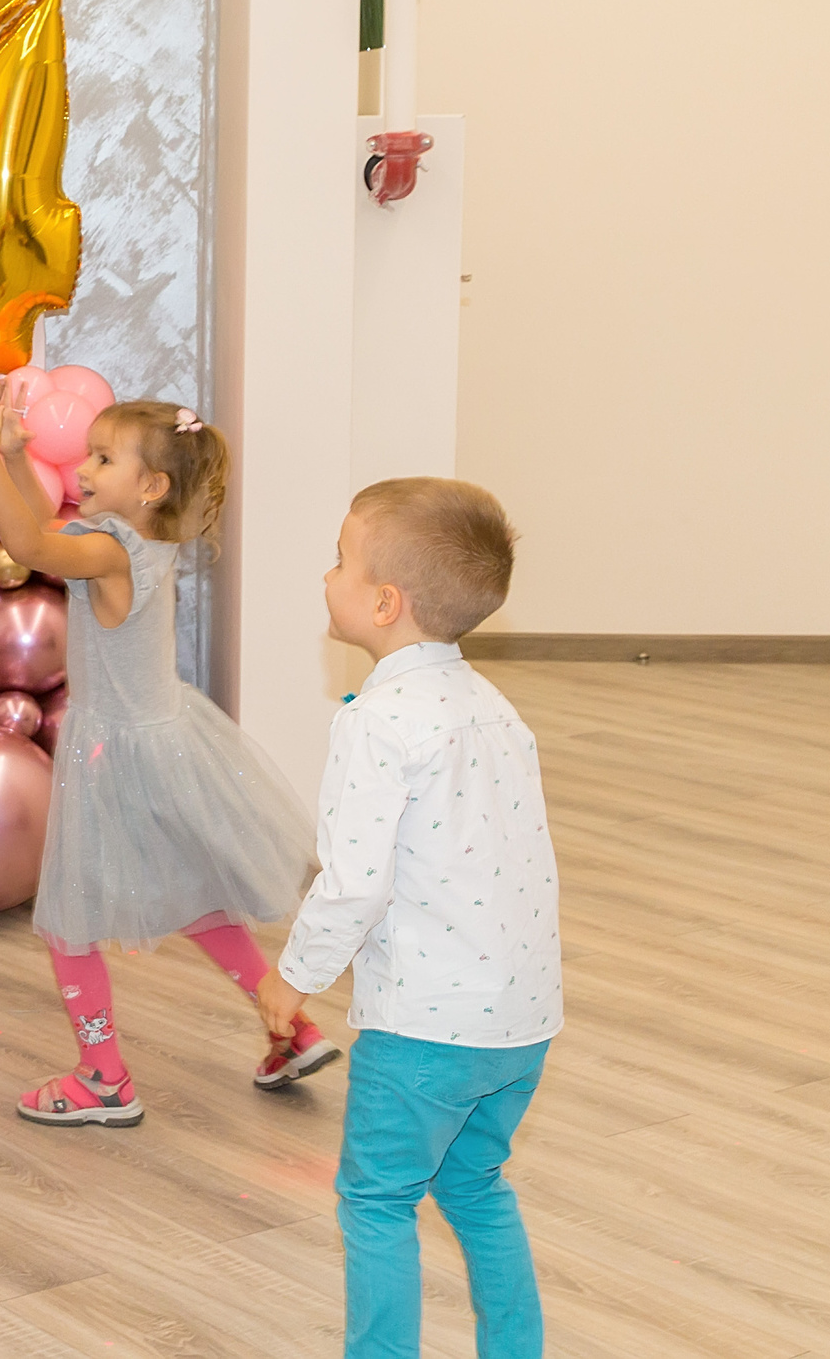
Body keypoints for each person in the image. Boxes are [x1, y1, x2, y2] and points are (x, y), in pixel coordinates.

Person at [0, 383, 327, 1126]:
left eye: (105, 457)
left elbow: (30, 545)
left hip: (114, 755)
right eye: (87, 452)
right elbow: (51, 529)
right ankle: (292, 1028)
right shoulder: (140, 541)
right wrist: (20, 462)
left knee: (69, 918)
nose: (84, 467)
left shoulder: (109, 549)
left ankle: (104, 1077)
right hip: (165, 739)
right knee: (196, 897)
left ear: (151, 486)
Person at [258, 479, 559, 1359]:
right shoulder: (495, 709)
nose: (325, 575)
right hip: (521, 1022)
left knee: (378, 1200)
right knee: (475, 1185)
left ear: (384, 602)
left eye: (340, 560)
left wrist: (295, 974)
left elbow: (354, 880)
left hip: (425, 1027)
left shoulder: (379, 722)